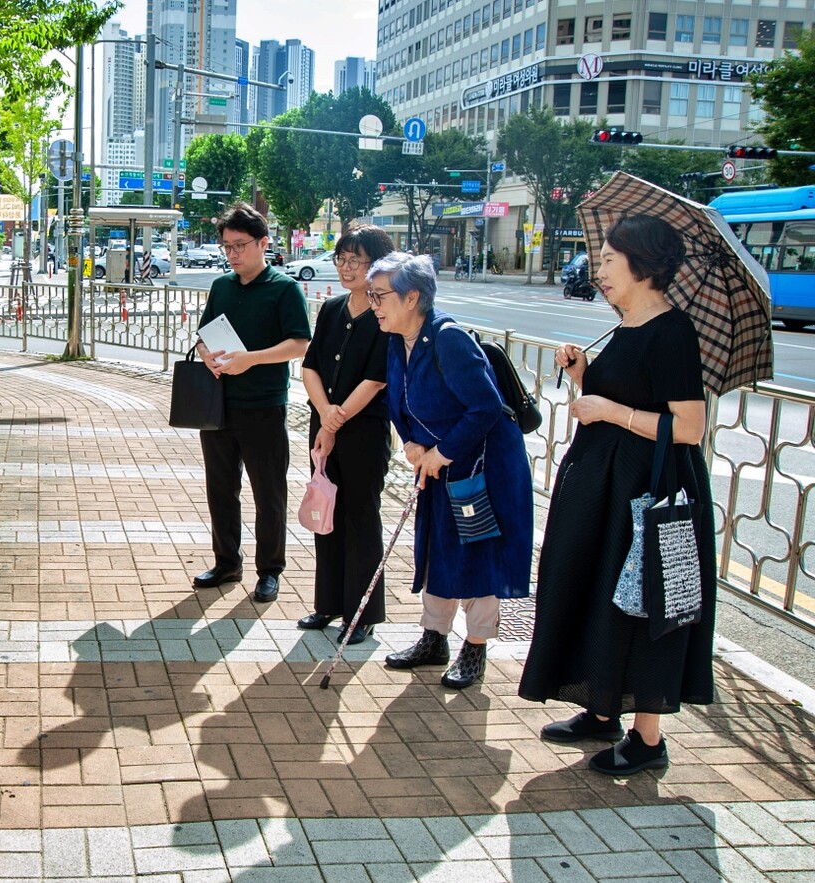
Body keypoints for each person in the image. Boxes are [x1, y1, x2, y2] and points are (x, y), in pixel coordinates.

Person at [518, 215, 715, 776]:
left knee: (641, 602)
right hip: (604, 487)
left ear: (641, 264)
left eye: (607, 260)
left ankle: (647, 740)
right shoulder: (626, 324)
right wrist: (584, 374)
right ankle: (601, 709)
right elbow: (621, 394)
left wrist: (607, 410)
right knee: (597, 592)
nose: (598, 270)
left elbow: (689, 427)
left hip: (645, 491)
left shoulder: (672, 330)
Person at [371, 252, 533, 688]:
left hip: (482, 464)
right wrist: (410, 443)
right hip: (438, 461)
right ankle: (433, 638)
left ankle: (475, 647)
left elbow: (485, 407)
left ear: (412, 297)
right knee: (437, 546)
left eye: (380, 295)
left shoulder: (448, 338)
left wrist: (439, 454)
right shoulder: (395, 339)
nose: (374, 304)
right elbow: (397, 401)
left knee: (477, 551)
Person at [193, 202, 311, 603]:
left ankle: (269, 570)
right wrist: (206, 352)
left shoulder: (285, 289)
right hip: (218, 405)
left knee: (268, 492)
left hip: (263, 405)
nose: (232, 253)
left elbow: (299, 343)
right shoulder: (221, 287)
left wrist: (252, 359)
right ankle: (227, 561)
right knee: (220, 489)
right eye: (227, 246)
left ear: (264, 243)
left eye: (240, 245)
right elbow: (204, 333)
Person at [301, 225, 394, 645]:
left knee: (360, 517)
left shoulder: (385, 317)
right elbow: (310, 366)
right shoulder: (332, 309)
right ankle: (328, 603)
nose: (346, 267)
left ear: (378, 266)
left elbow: (376, 381)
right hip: (323, 429)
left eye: (357, 260)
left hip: (364, 434)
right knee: (327, 515)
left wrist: (333, 423)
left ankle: (362, 613)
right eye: (341, 258)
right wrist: (324, 416)